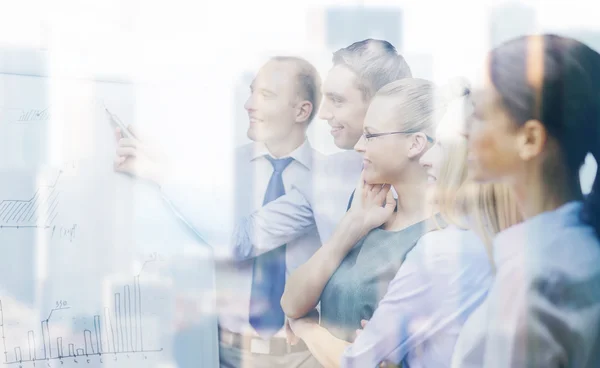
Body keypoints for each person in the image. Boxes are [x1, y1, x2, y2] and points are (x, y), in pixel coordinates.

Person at [116, 56, 323, 367]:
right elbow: (194, 235)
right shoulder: (222, 171)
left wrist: (161, 173)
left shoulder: (325, 182)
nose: (250, 105)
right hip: (229, 353)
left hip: (304, 356)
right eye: (252, 92)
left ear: (302, 111)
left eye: (265, 95)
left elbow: (236, 237)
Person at [280, 78, 476, 367]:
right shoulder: (365, 210)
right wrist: (350, 227)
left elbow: (367, 362)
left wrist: (307, 328)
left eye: (370, 135)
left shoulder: (444, 237)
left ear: (415, 144)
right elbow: (291, 303)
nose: (359, 145)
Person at [452, 34, 600, 367]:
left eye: (477, 113)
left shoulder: (536, 277)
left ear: (530, 138)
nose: (463, 130)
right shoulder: (575, 249)